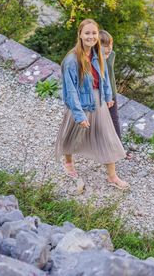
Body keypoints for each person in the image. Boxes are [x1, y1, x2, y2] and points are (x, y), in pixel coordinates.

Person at [55, 18, 130, 190]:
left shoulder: (97, 54)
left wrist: (108, 96)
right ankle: (68, 163)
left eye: (94, 33)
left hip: (98, 102)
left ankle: (112, 176)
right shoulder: (72, 60)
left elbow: (104, 77)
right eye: (87, 33)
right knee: (72, 134)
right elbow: (71, 90)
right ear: (80, 34)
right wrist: (79, 114)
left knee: (107, 136)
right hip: (80, 104)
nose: (91, 36)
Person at [99, 30, 132, 159]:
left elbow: (109, 76)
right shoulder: (93, 59)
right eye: (104, 45)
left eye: (110, 44)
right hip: (99, 95)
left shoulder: (111, 55)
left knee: (114, 119)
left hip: (111, 92)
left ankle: (119, 148)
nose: (108, 48)